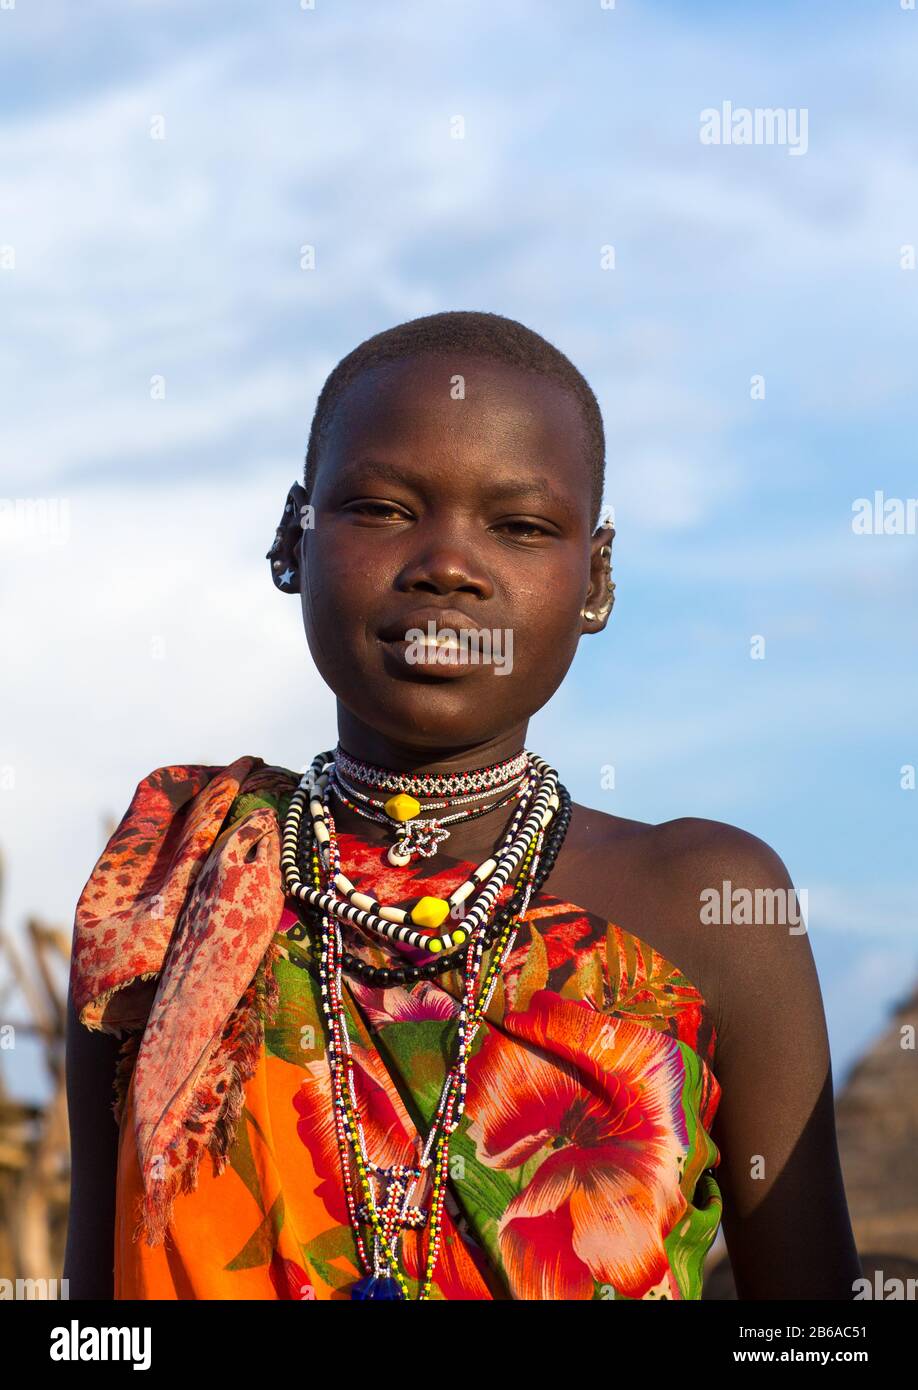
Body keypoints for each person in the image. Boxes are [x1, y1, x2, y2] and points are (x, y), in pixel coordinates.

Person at [64, 310, 862, 1300]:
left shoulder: (709, 902)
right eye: (382, 509)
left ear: (595, 581)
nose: (446, 563)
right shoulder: (169, 894)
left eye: (521, 525)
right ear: (290, 540)